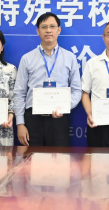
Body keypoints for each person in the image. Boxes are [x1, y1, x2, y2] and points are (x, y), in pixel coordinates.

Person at [13, 12, 82, 147]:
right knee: (32, 159)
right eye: (44, 27)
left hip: (59, 120)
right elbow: (19, 92)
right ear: (38, 31)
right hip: (32, 120)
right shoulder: (27, 58)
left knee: (59, 159)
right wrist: (20, 123)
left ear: (59, 30)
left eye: (52, 26)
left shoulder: (70, 57)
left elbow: (77, 90)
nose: (48, 30)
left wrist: (65, 107)